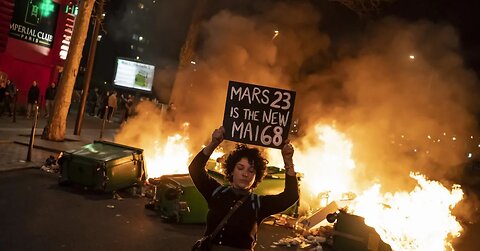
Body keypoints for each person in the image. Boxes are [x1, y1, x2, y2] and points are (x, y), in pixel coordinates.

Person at [189, 126, 299, 250]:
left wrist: (288, 160)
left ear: (256, 177)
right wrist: (214, 143)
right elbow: (195, 169)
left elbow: (291, 196)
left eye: (251, 171)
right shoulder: (216, 192)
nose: (245, 174)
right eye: (240, 168)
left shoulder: (258, 204)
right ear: (231, 171)